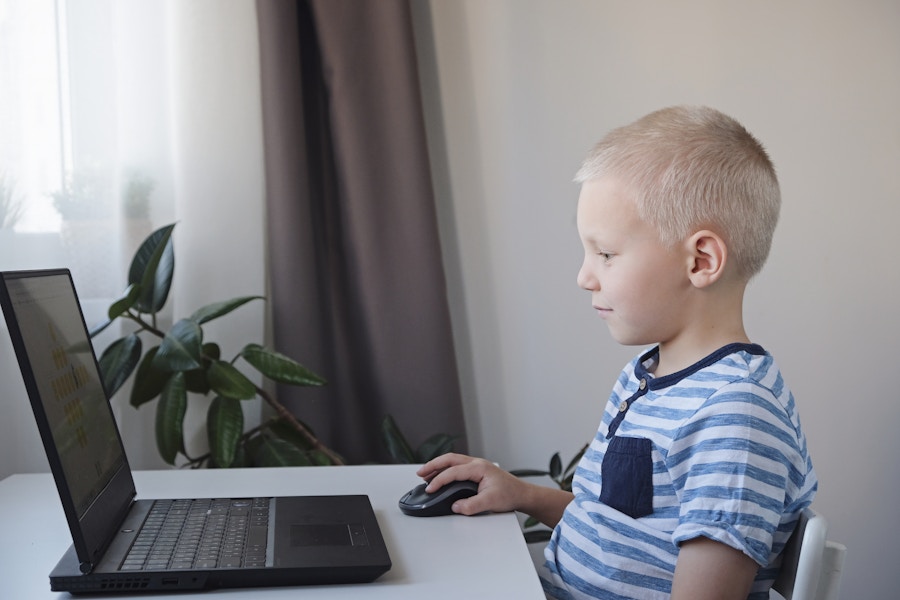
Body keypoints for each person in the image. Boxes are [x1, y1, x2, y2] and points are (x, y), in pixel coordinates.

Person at [418, 106, 817, 600]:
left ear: (701, 261)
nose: (585, 277)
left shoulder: (736, 415)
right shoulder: (649, 376)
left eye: (605, 253)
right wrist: (521, 494)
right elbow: (619, 533)